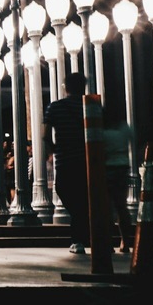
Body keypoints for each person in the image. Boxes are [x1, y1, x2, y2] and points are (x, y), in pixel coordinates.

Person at [43, 72, 90, 255]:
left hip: (65, 161)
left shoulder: (55, 108)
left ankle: (78, 239)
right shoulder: (92, 106)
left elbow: (44, 134)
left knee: (66, 193)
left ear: (65, 87)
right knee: (86, 199)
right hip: (88, 160)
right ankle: (87, 236)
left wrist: (54, 150)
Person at [103, 100, 136, 255]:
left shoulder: (101, 129)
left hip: (105, 168)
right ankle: (125, 241)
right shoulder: (124, 127)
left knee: (107, 207)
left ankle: (108, 241)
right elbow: (134, 142)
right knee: (121, 206)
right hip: (122, 167)